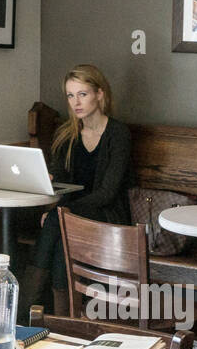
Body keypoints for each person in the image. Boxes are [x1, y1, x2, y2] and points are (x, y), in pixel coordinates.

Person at [25, 64, 134, 315]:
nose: (76, 102)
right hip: (73, 215)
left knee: (58, 224)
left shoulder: (118, 134)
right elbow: (62, 181)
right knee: (62, 237)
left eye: (82, 94)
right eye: (70, 95)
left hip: (109, 215)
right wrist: (49, 180)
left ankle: (24, 311)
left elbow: (108, 192)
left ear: (100, 94)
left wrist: (61, 212)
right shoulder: (67, 133)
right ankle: (66, 318)